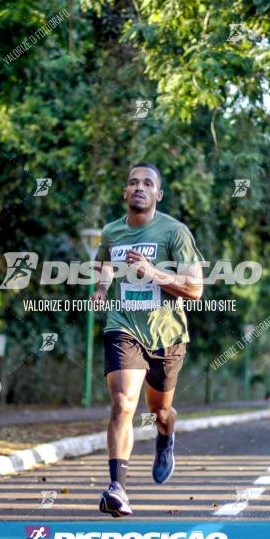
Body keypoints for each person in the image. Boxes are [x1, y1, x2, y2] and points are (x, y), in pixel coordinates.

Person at [91, 162, 205, 517]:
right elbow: (103, 261)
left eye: (147, 183)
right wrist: (100, 286)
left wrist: (153, 272)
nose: (139, 187)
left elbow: (196, 289)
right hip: (123, 327)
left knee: (160, 411)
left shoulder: (175, 232)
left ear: (159, 194)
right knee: (123, 403)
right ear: (125, 193)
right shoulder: (111, 232)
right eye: (132, 182)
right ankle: (117, 488)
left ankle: (165, 437)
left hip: (166, 335)